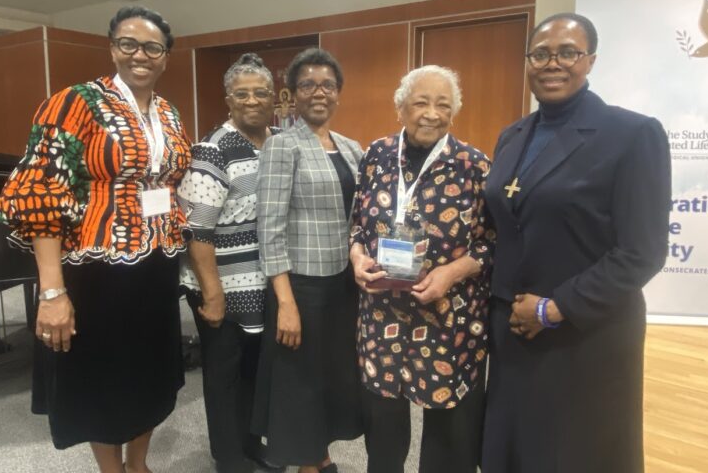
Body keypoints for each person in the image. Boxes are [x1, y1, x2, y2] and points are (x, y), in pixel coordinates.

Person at [0, 6, 191, 473]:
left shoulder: (167, 111)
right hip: (96, 270)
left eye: (152, 47)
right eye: (129, 44)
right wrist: (52, 292)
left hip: (156, 266)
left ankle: (138, 464)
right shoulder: (75, 103)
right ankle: (111, 469)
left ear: (165, 57)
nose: (140, 55)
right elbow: (42, 193)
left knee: (148, 373)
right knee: (103, 378)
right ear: (112, 48)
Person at [481, 13, 671, 473]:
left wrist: (554, 308)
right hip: (513, 331)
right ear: (528, 62)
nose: (553, 63)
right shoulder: (513, 135)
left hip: (583, 333)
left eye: (568, 53)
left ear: (591, 61)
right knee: (516, 451)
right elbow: (504, 223)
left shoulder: (632, 134)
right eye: (541, 54)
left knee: (572, 454)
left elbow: (642, 251)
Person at [349, 65, 493, 473]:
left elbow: (492, 242)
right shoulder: (376, 155)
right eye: (421, 103)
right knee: (383, 426)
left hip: (447, 316)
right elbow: (357, 224)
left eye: (443, 105)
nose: (431, 113)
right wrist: (357, 258)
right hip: (382, 316)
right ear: (401, 109)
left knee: (450, 430)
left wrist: (453, 272)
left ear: (454, 112)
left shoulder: (474, 165)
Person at [252, 48, 364, 473]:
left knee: (331, 375)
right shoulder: (282, 145)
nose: (319, 92)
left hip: (343, 285)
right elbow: (270, 228)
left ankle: (320, 454)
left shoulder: (351, 148)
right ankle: (307, 463)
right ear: (293, 94)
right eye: (308, 85)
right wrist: (285, 302)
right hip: (300, 285)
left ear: (338, 92)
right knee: (300, 381)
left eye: (328, 85)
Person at [177, 53, 284, 473]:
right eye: (242, 94)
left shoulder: (279, 141)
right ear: (228, 100)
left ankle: (251, 443)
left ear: (274, 98)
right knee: (225, 375)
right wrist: (213, 294)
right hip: (219, 283)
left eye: (261, 92)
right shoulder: (213, 150)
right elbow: (197, 232)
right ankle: (229, 457)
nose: (252, 100)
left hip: (263, 283)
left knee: (256, 370)